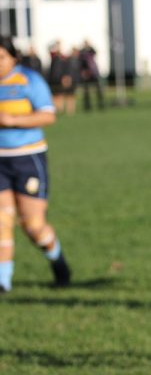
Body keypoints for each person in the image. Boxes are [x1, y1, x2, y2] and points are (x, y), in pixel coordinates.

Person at [0, 35, 70, 293]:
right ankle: (3, 281)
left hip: (27, 159)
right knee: (2, 220)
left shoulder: (30, 80)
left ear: (13, 58)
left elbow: (48, 114)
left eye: (1, 58)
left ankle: (58, 261)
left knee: (33, 226)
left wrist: (12, 120)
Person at [79, 39, 104, 111]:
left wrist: (89, 47)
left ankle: (101, 105)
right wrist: (83, 72)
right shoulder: (82, 52)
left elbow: (95, 52)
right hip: (86, 73)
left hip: (93, 72)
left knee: (98, 90)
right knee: (86, 91)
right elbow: (81, 62)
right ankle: (87, 107)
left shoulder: (91, 50)